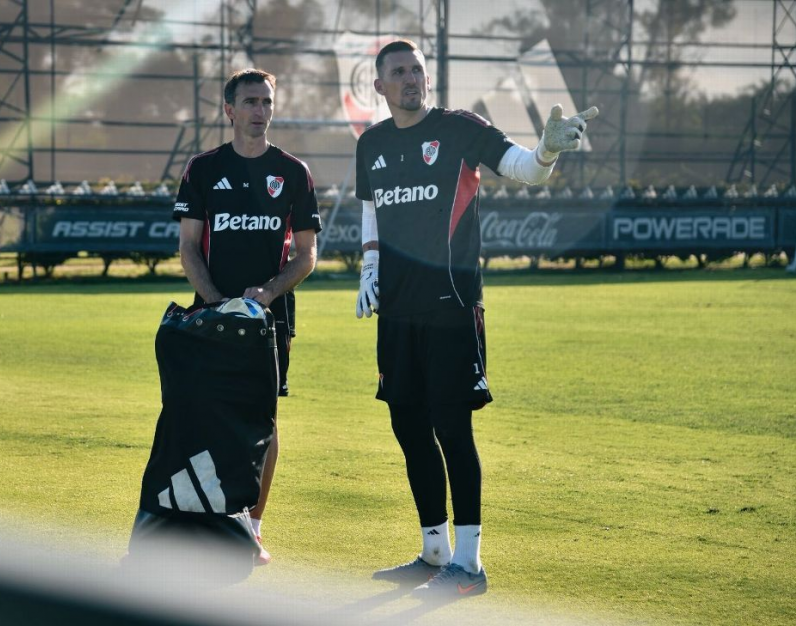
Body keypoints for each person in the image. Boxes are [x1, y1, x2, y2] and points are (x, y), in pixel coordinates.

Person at [353, 39, 597, 598]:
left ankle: (468, 564)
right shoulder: (372, 143)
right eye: (399, 72)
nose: (411, 78)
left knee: (451, 428)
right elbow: (371, 209)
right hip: (396, 313)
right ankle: (433, 550)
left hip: (452, 308)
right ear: (380, 86)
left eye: (417, 69)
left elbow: (523, 170)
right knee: (407, 426)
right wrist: (369, 266)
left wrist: (546, 152)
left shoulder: (460, 127)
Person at [174, 68, 322, 566]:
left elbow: (306, 255)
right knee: (203, 417)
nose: (260, 111)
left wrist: (268, 293)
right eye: (251, 102)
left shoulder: (294, 172)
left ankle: (251, 529)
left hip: (269, 322)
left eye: (267, 102)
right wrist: (215, 302)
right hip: (210, 318)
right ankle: (204, 522)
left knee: (263, 423)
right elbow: (188, 248)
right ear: (230, 110)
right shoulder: (202, 168)